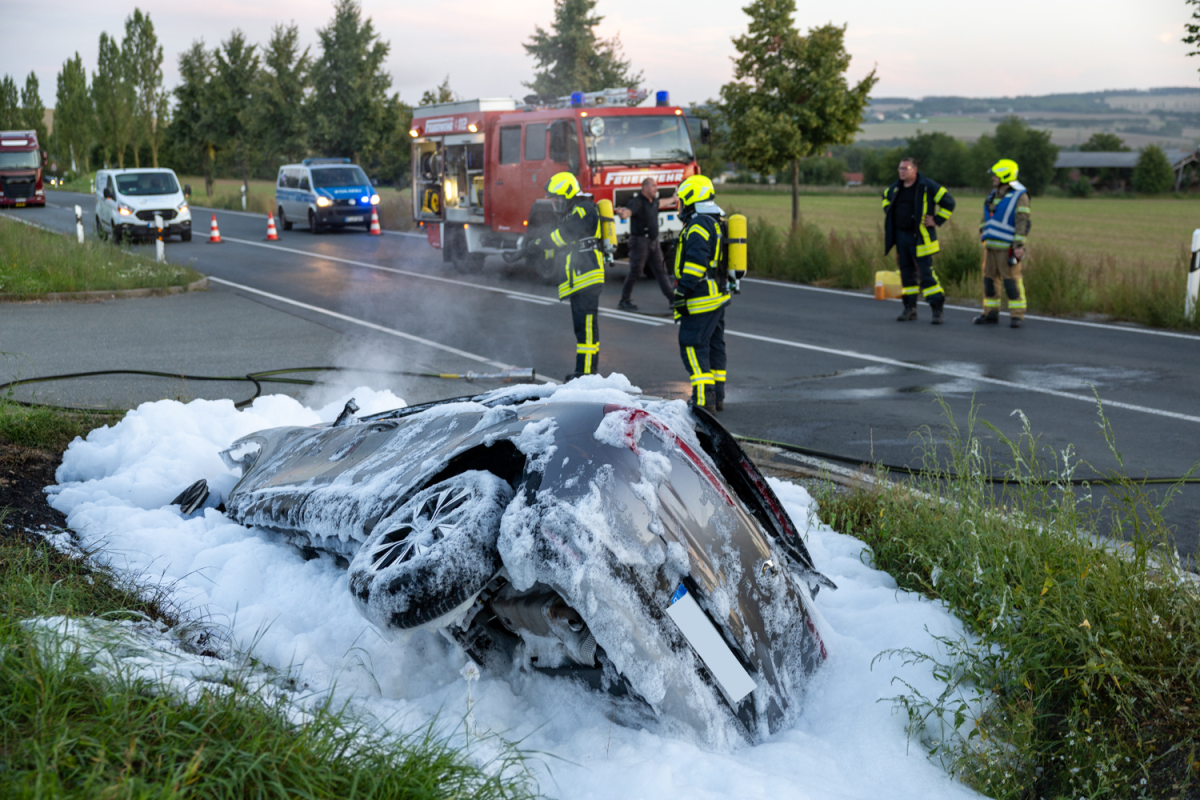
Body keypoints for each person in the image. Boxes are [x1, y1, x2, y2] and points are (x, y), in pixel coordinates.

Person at [533, 172, 606, 380]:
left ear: (568, 193)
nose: (556, 203)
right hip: (579, 279)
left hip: (588, 277)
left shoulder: (584, 209)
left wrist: (539, 243)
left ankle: (587, 373)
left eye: (558, 198)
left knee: (588, 331)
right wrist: (532, 247)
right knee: (581, 330)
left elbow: (563, 235)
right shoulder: (574, 210)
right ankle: (582, 371)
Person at [671, 174, 730, 411]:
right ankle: (717, 396)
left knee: (692, 345)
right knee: (714, 346)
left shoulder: (698, 225)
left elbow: (696, 263)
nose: (681, 206)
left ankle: (703, 400)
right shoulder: (713, 221)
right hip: (716, 296)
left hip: (701, 298)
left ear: (692, 200)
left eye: (683, 201)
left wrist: (682, 292)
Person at [882, 157, 956, 324]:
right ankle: (910, 308)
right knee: (907, 275)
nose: (902, 171)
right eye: (900, 168)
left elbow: (949, 202)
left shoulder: (927, 186)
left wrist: (937, 220)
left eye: (905, 168)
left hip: (921, 239)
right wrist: (889, 211)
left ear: (914, 169)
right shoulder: (895, 188)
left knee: (926, 275)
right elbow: (885, 197)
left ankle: (937, 308)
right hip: (901, 238)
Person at [976, 159, 1031, 328]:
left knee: (1011, 281)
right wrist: (981, 231)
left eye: (996, 175)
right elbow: (986, 216)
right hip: (990, 246)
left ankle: (1017, 316)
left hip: (1007, 247)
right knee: (989, 281)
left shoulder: (1019, 195)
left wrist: (1019, 246)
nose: (993, 178)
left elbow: (1023, 222)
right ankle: (990, 313)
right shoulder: (993, 194)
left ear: (1005, 175)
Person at [615, 177, 674, 312]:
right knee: (636, 271)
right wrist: (622, 215)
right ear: (645, 188)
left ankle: (673, 300)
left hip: (653, 242)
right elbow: (628, 212)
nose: (656, 188)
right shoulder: (637, 202)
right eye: (653, 186)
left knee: (660, 271)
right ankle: (624, 300)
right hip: (640, 242)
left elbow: (662, 203)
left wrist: (674, 198)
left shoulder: (652, 202)